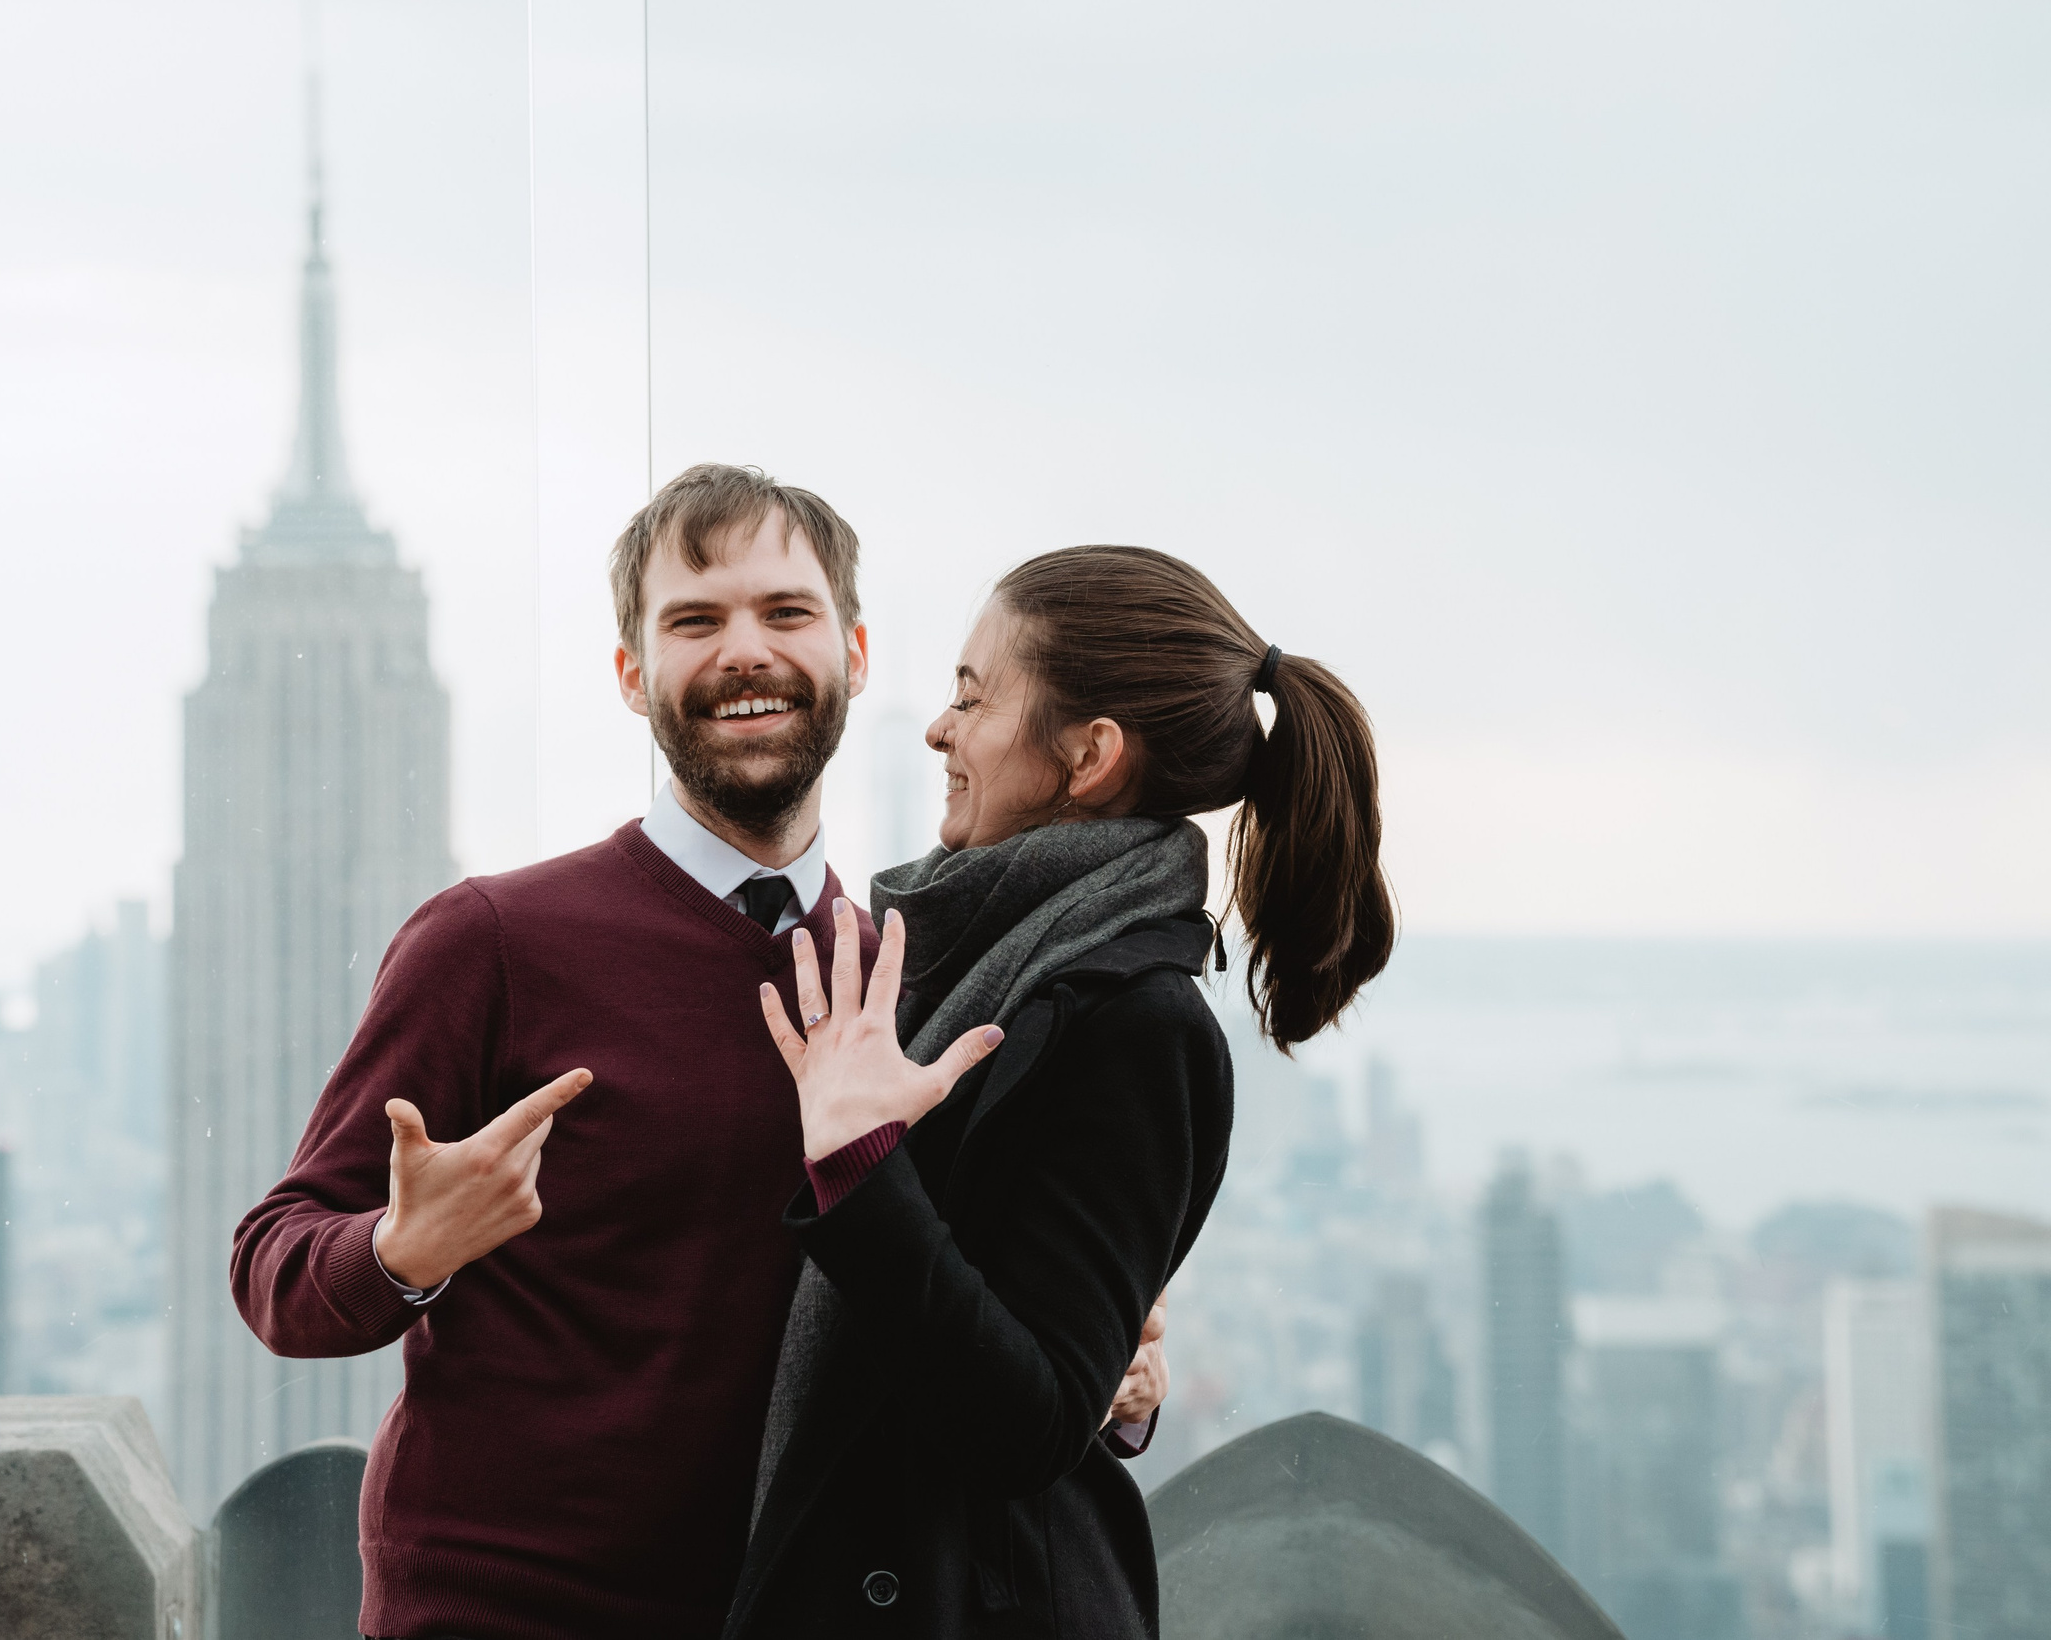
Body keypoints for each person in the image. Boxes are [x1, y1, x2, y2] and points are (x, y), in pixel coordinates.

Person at [229, 466, 1163, 1640]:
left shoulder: (906, 977)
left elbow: (946, 1317)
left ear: (854, 654)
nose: (745, 651)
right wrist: (401, 1249)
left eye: (785, 612)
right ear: (633, 675)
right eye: (694, 621)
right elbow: (274, 1267)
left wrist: (1105, 1381)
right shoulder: (492, 942)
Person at [724, 545, 1395, 1639]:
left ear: (1088, 756)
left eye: (972, 698)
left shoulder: (1139, 1025)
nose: (938, 730)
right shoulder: (981, 960)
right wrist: (1107, 1377)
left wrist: (862, 1165)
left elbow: (1026, 1424)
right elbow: (1053, 1349)